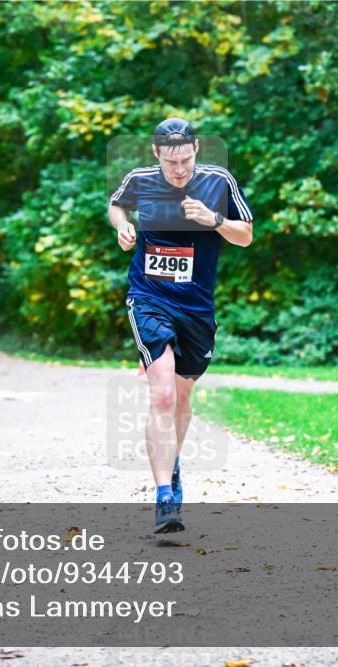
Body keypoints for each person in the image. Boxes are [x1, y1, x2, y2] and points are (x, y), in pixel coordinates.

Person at [107, 118, 254, 533]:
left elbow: (246, 235)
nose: (179, 170)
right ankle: (163, 498)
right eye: (171, 162)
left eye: (186, 160)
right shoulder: (139, 180)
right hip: (149, 298)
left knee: (183, 398)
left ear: (196, 151)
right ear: (156, 154)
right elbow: (116, 204)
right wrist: (123, 226)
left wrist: (213, 220)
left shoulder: (219, 181)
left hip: (197, 309)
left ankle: (171, 466)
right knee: (165, 395)